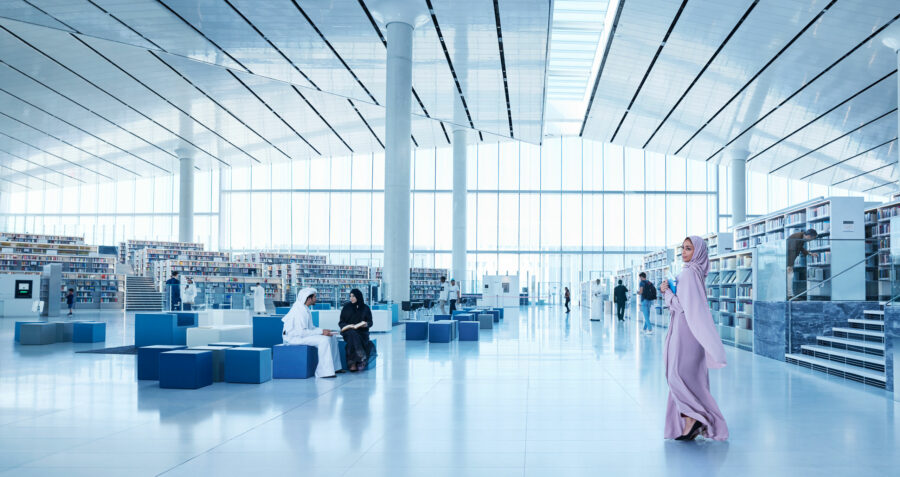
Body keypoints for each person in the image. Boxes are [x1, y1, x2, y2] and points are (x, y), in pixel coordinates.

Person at [659, 236, 728, 441]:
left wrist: (666, 293)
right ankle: (690, 420)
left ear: (697, 252)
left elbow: (681, 307)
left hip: (684, 331)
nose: (684, 252)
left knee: (675, 374)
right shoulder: (697, 273)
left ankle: (694, 417)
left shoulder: (688, 274)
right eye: (683, 248)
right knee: (692, 378)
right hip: (693, 332)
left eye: (689, 249)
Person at [282, 288, 343, 378]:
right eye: (314, 297)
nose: (316, 299)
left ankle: (335, 367)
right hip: (294, 338)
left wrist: (324, 330)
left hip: (302, 335)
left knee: (332, 337)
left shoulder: (305, 309)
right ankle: (324, 372)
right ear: (308, 298)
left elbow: (311, 328)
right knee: (324, 340)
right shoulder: (299, 311)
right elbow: (301, 332)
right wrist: (321, 332)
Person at [339, 289, 376, 372]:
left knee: (354, 337)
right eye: (350, 296)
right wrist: (348, 326)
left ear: (358, 297)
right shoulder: (346, 307)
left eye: (353, 296)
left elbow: (370, 322)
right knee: (352, 333)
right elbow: (341, 322)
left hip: (362, 332)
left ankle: (352, 364)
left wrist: (365, 324)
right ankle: (361, 355)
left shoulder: (365, 308)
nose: (351, 298)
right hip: (348, 331)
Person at [787, 229, 818, 299]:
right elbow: (792, 251)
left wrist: (810, 253)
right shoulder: (796, 237)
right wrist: (790, 265)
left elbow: (800, 248)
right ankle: (789, 296)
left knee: (789, 277)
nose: (811, 241)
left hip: (788, 260)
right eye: (812, 239)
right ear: (809, 236)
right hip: (787, 261)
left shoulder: (801, 237)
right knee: (789, 277)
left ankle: (790, 295)